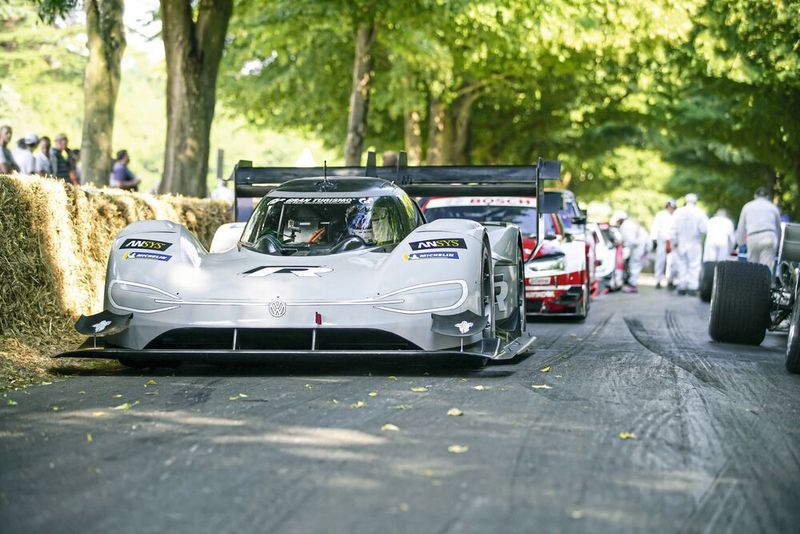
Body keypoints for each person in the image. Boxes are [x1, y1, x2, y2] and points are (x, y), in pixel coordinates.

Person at [736, 187, 782, 272]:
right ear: (767, 197)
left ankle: (753, 284)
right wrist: (779, 245)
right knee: (766, 269)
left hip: (752, 236)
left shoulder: (747, 206)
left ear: (755, 196)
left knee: (752, 268)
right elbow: (778, 228)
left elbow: (741, 227)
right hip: (769, 236)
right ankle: (765, 284)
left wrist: (741, 243)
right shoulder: (773, 207)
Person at [671, 193, 708, 295]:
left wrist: (674, 242)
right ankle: (692, 287)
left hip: (680, 242)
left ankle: (681, 286)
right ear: (695, 201)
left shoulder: (678, 212)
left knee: (681, 264)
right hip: (694, 242)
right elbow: (704, 229)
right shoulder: (700, 213)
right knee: (694, 265)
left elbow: (672, 229)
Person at [614, 210, 648, 293]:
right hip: (641, 245)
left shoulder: (625, 226)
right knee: (635, 265)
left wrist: (623, 244)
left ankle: (633, 285)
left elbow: (631, 241)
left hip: (639, 247)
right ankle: (632, 284)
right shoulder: (629, 223)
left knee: (634, 265)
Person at [649, 199, 676, 289]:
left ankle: (670, 280)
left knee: (671, 262)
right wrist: (654, 238)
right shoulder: (661, 215)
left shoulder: (676, 215)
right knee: (660, 261)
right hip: (662, 241)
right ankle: (658, 280)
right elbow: (655, 226)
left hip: (672, 241)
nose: (671, 209)